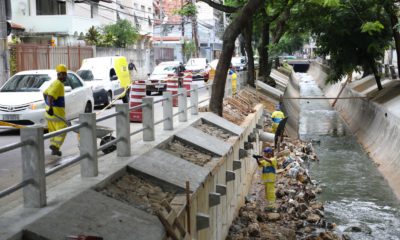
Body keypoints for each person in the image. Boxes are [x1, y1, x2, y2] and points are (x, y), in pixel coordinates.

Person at [44, 64, 68, 156]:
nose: (65, 76)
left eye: (65, 74)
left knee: (53, 131)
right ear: (59, 75)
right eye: (64, 74)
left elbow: (45, 93)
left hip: (50, 113)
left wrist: (47, 106)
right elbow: (50, 95)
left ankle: (54, 148)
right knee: (63, 129)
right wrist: (50, 107)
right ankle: (55, 146)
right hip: (56, 113)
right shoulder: (58, 84)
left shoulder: (54, 83)